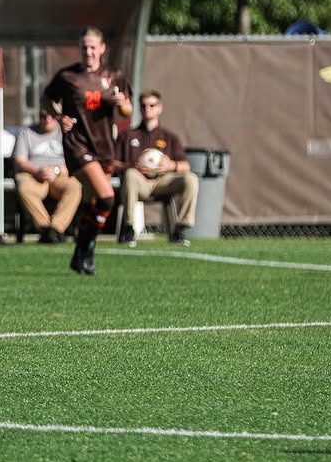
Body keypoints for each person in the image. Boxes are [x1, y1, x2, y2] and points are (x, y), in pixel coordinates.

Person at [42, 26, 133, 275]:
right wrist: (59, 117)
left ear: (102, 48)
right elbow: (46, 99)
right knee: (107, 197)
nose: (89, 52)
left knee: (95, 203)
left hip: (104, 146)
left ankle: (83, 251)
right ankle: (85, 249)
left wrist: (122, 104)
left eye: (93, 47)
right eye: (84, 47)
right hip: (77, 144)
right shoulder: (68, 77)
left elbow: (128, 110)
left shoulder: (114, 76)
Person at [114, 90, 199, 246]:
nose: (147, 109)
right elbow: (112, 163)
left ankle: (181, 227)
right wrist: (132, 165)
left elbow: (186, 166)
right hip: (139, 183)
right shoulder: (127, 135)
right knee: (130, 174)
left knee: (191, 179)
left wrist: (171, 165)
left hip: (162, 182)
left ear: (160, 108)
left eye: (152, 105)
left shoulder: (170, 137)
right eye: (144, 106)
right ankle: (129, 227)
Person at [12, 108, 82, 243]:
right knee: (24, 188)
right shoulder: (26, 132)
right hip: (33, 175)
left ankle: (56, 228)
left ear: (57, 117)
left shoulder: (65, 132)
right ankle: (45, 228)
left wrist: (57, 170)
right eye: (43, 116)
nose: (47, 119)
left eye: (51, 116)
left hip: (60, 175)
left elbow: (75, 158)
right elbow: (20, 160)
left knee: (75, 187)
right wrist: (37, 171)